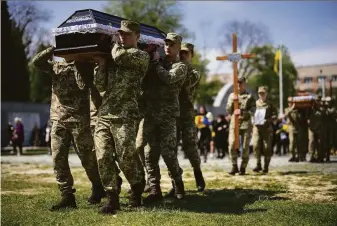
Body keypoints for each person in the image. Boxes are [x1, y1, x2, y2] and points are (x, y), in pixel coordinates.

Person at [32, 46, 104, 211]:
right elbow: (37, 62)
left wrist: (79, 58)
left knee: (87, 159)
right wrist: (54, 48)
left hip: (80, 121)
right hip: (59, 120)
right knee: (58, 158)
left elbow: (87, 84)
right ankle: (67, 196)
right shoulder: (55, 66)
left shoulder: (84, 65)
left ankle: (97, 186)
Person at [93, 20, 149, 214]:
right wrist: (100, 65)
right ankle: (112, 197)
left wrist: (112, 44)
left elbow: (119, 58)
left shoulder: (140, 56)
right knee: (102, 155)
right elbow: (101, 86)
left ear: (137, 36)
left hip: (125, 114)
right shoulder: (112, 57)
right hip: (105, 113)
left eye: (126, 34)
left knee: (126, 156)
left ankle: (137, 186)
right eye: (120, 34)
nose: (122, 37)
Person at [142, 32, 187, 203]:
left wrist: (154, 63)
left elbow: (168, 79)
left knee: (168, 153)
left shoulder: (181, 66)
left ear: (178, 47)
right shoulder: (155, 63)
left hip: (167, 116)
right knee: (150, 153)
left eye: (172, 44)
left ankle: (178, 184)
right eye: (166, 44)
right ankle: (155, 189)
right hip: (151, 113)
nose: (168, 47)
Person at [167, 42, 205, 196]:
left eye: (186, 53)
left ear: (192, 55)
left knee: (191, 146)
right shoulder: (173, 67)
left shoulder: (195, 72)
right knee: (171, 149)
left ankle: (197, 171)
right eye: (180, 53)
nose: (182, 55)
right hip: (173, 114)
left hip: (187, 115)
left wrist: (180, 66)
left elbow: (187, 82)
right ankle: (175, 183)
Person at [226, 76, 256, 175]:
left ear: (244, 84)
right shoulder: (231, 95)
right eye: (237, 83)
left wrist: (244, 112)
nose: (238, 85)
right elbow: (228, 110)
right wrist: (233, 102)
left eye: (240, 83)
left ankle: (243, 167)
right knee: (232, 144)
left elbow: (253, 110)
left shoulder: (250, 96)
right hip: (234, 124)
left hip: (246, 124)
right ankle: (234, 166)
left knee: (245, 146)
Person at [252, 86, 278, 173]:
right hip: (257, 127)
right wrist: (252, 118)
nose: (261, 95)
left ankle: (266, 166)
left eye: (263, 93)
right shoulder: (255, 103)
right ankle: (258, 164)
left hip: (267, 128)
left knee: (267, 148)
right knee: (256, 145)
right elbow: (251, 113)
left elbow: (275, 115)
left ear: (266, 93)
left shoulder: (270, 104)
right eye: (260, 93)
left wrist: (269, 119)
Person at [284, 98, 301, 162]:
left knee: (297, 143)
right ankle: (292, 155)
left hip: (297, 127)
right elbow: (286, 114)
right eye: (289, 102)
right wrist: (292, 108)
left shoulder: (297, 110)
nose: (290, 103)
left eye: (291, 102)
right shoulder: (287, 109)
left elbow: (300, 118)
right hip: (291, 127)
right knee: (292, 142)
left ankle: (297, 156)